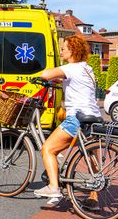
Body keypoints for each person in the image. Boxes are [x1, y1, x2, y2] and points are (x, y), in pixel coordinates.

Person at [33, 35, 101, 199]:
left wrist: (42, 77)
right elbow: (75, 83)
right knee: (91, 155)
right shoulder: (87, 69)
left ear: (72, 51)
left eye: (64, 48)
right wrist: (59, 80)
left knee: (48, 149)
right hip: (93, 117)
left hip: (76, 118)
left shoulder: (70, 68)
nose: (61, 51)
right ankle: (95, 197)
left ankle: (53, 187)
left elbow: (46, 74)